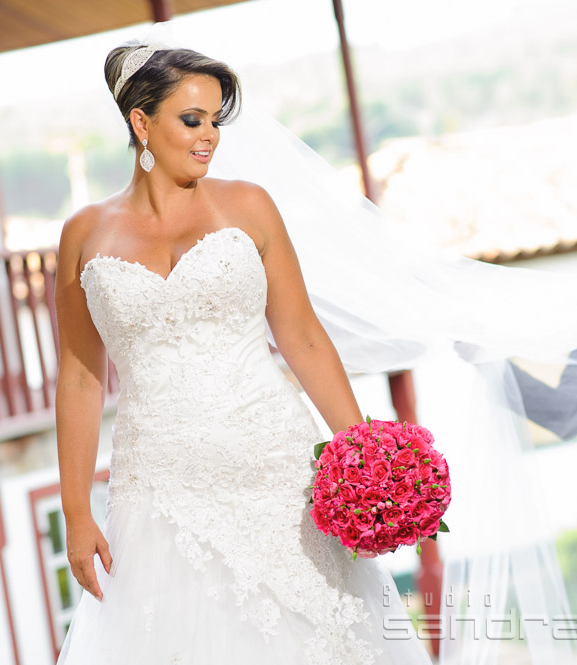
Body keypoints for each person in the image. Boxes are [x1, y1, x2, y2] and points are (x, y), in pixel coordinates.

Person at [53, 43, 431, 664]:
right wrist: (75, 511)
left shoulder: (249, 205)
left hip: (275, 466)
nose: (209, 136)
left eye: (214, 120)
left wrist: (364, 458)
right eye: (191, 119)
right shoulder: (85, 233)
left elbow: (302, 336)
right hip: (159, 484)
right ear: (140, 122)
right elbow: (78, 377)